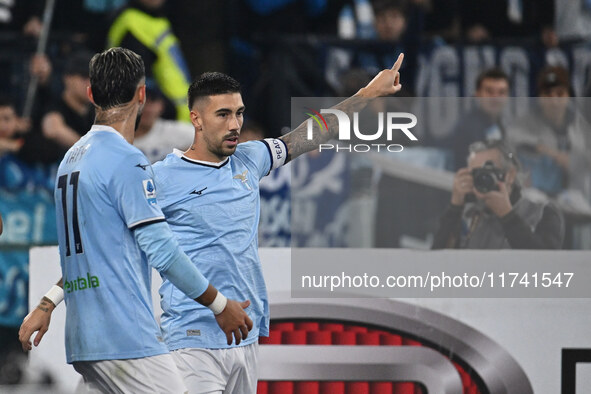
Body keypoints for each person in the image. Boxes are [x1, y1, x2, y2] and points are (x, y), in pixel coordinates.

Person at [23, 53, 405, 393]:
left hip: (245, 335)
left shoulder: (250, 159)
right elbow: (103, 244)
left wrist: (368, 94)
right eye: (223, 114)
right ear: (196, 119)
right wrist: (50, 301)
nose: (235, 124)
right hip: (193, 338)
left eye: (239, 113)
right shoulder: (159, 176)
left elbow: (310, 133)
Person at [18, 47, 252, 393]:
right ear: (142, 94)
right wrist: (220, 305)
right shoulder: (127, 160)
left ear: (90, 94)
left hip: (86, 340)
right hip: (124, 338)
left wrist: (47, 301)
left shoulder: (71, 158)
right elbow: (162, 250)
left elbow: (87, 250)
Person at [432, 140, 564, 249]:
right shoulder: (468, 215)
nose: (483, 180)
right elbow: (437, 264)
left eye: (489, 172)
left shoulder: (542, 213)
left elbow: (546, 266)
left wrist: (507, 216)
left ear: (510, 175)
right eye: (476, 174)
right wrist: (455, 207)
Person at [506, 66, 591, 198]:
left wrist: (575, 161)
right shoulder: (526, 123)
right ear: (539, 98)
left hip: (575, 197)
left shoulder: (580, 125)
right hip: (538, 197)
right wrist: (552, 153)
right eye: (548, 94)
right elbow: (512, 140)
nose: (554, 101)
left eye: (560, 93)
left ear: (569, 96)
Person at [107, 0, 192, 121]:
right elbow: (139, 86)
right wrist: (168, 110)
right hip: (158, 121)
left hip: (179, 118)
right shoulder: (132, 25)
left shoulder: (156, 19)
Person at [18, 51, 95, 165]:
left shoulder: (97, 111)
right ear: (67, 78)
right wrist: (91, 151)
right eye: (84, 77)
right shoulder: (54, 103)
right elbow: (53, 129)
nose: (90, 83)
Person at [450, 67, 510, 170]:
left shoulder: (503, 126)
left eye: (501, 92)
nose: (495, 98)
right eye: (489, 92)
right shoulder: (466, 128)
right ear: (477, 94)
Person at [133, 85, 194, 163]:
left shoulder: (179, 132)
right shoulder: (115, 136)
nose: (146, 108)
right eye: (140, 102)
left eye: (152, 101)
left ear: (161, 106)